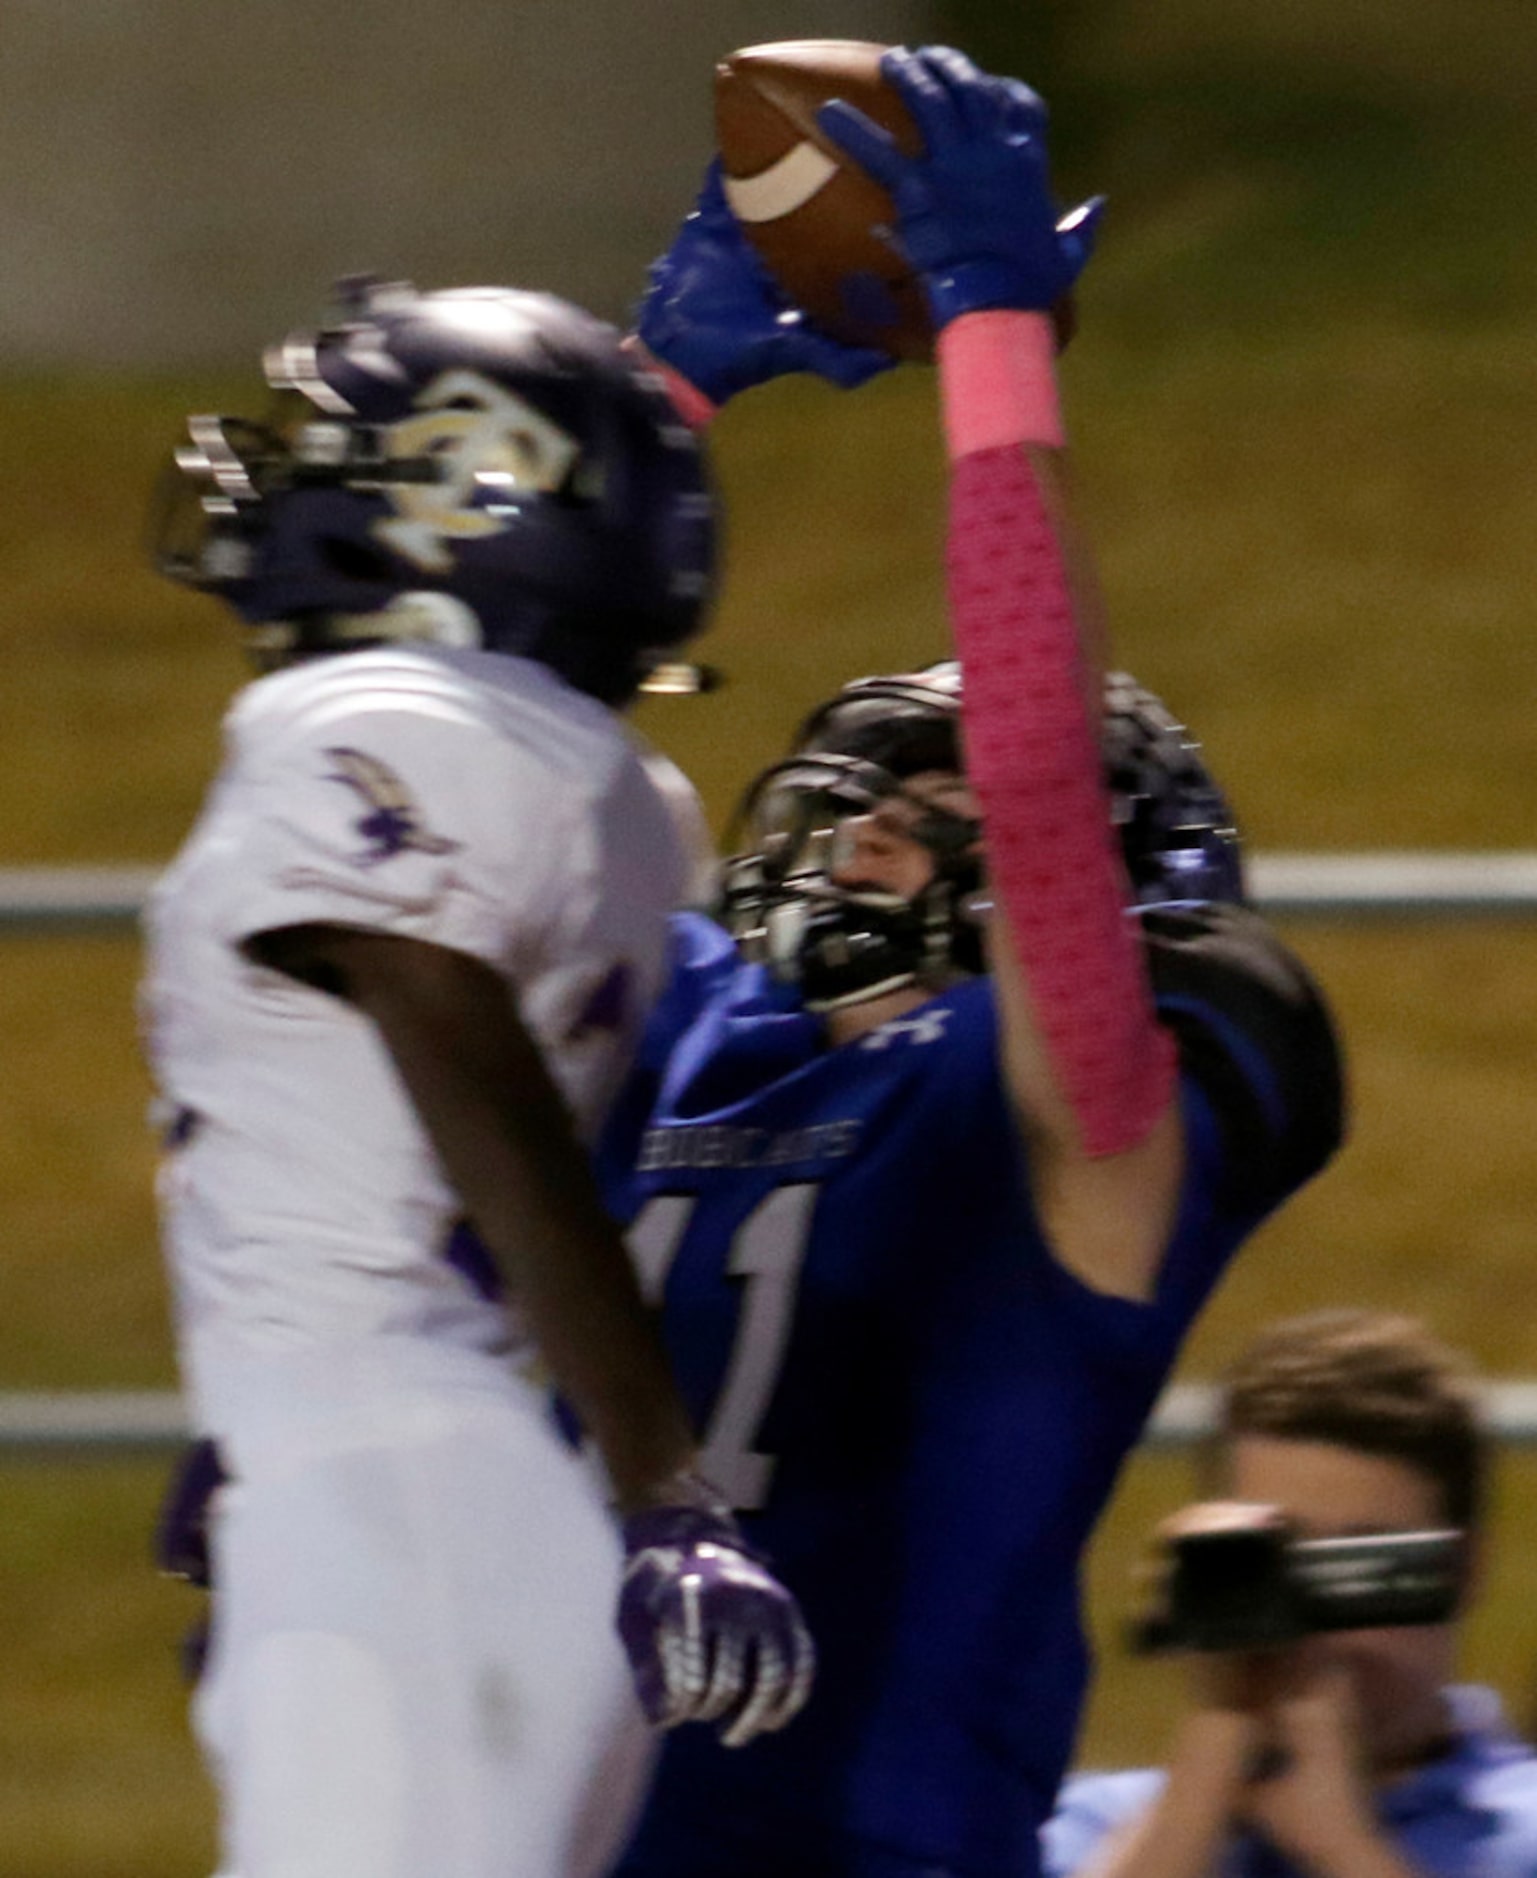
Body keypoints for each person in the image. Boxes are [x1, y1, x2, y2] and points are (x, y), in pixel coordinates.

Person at [594, 45, 1346, 1878]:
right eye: (849, 779)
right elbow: (478, 780)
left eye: (918, 801)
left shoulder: (1079, 1107)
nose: (860, 823)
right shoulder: (683, 1031)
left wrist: (996, 336)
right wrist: (648, 397)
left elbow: (1033, 756)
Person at [141, 279, 813, 1878]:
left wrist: (667, 1486)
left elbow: (459, 1045)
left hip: (405, 1499)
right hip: (419, 1475)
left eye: (349, 453)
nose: (300, 478)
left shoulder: (383, 717)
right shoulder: (603, 781)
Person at [1042, 1308, 1537, 1878]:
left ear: (1462, 1570)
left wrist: (1341, 1846)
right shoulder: (1098, 1825)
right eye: (1281, 1558)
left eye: (1364, 1563)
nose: (1319, 1620)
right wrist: (1209, 1772)